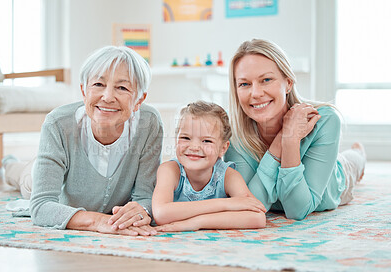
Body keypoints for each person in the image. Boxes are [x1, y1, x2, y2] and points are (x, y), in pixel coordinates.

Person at [3, 45, 163, 236]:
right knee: (26, 177)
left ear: (139, 100)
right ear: (83, 90)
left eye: (122, 87)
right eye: (98, 85)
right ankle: (10, 164)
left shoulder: (149, 123)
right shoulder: (58, 123)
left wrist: (140, 211)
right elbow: (41, 206)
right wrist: (98, 221)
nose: (108, 97)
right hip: (45, 182)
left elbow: (145, 196)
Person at [224, 39, 366, 220]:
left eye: (266, 80)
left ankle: (359, 152)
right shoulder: (232, 127)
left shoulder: (324, 119)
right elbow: (250, 205)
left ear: (288, 83)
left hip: (333, 181)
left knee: (352, 162)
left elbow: (298, 210)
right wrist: (284, 138)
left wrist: (291, 143)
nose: (256, 93)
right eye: (244, 84)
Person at [152, 101, 266, 232]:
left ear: (223, 148)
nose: (194, 147)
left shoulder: (228, 175)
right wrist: (226, 204)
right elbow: (161, 214)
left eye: (206, 141)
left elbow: (257, 217)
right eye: (185, 138)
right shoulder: (170, 170)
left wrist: (197, 222)